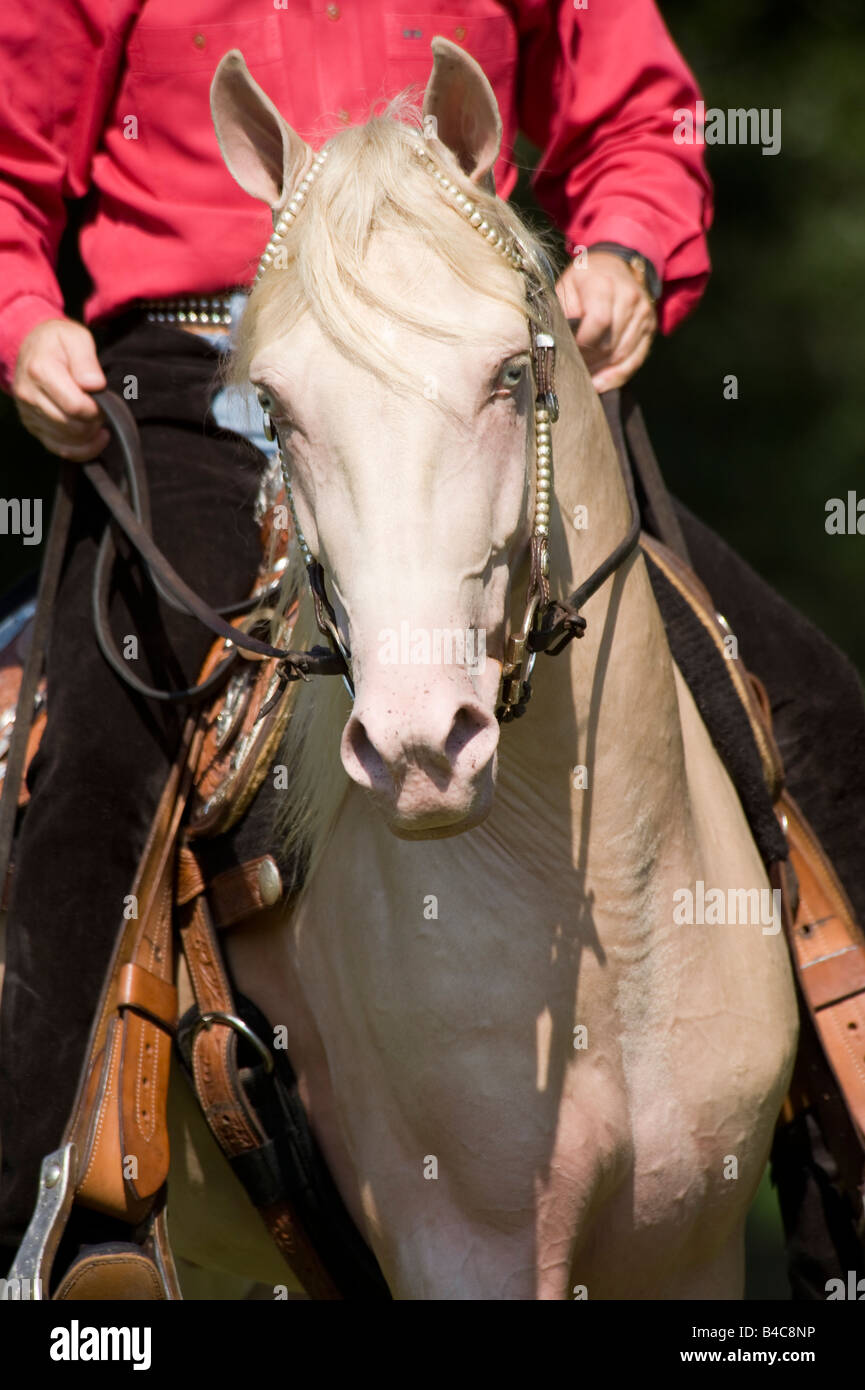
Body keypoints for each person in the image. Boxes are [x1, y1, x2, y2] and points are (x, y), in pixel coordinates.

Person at [0, 0, 861, 1296]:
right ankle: (57, 1233)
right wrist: (22, 316)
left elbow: (636, 109)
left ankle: (837, 1207)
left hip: (480, 367)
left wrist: (625, 248)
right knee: (90, 762)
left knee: (805, 702)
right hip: (208, 367)